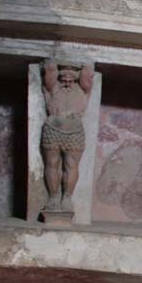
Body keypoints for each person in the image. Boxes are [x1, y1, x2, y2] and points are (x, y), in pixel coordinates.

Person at [41, 59, 94, 213]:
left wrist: (81, 65)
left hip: (74, 132)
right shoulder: (53, 88)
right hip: (52, 129)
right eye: (64, 79)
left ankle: (67, 198)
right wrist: (55, 62)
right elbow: (50, 69)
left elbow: (88, 73)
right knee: (52, 164)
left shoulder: (83, 90)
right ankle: (53, 197)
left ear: (77, 79)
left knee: (71, 166)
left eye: (71, 80)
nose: (67, 83)